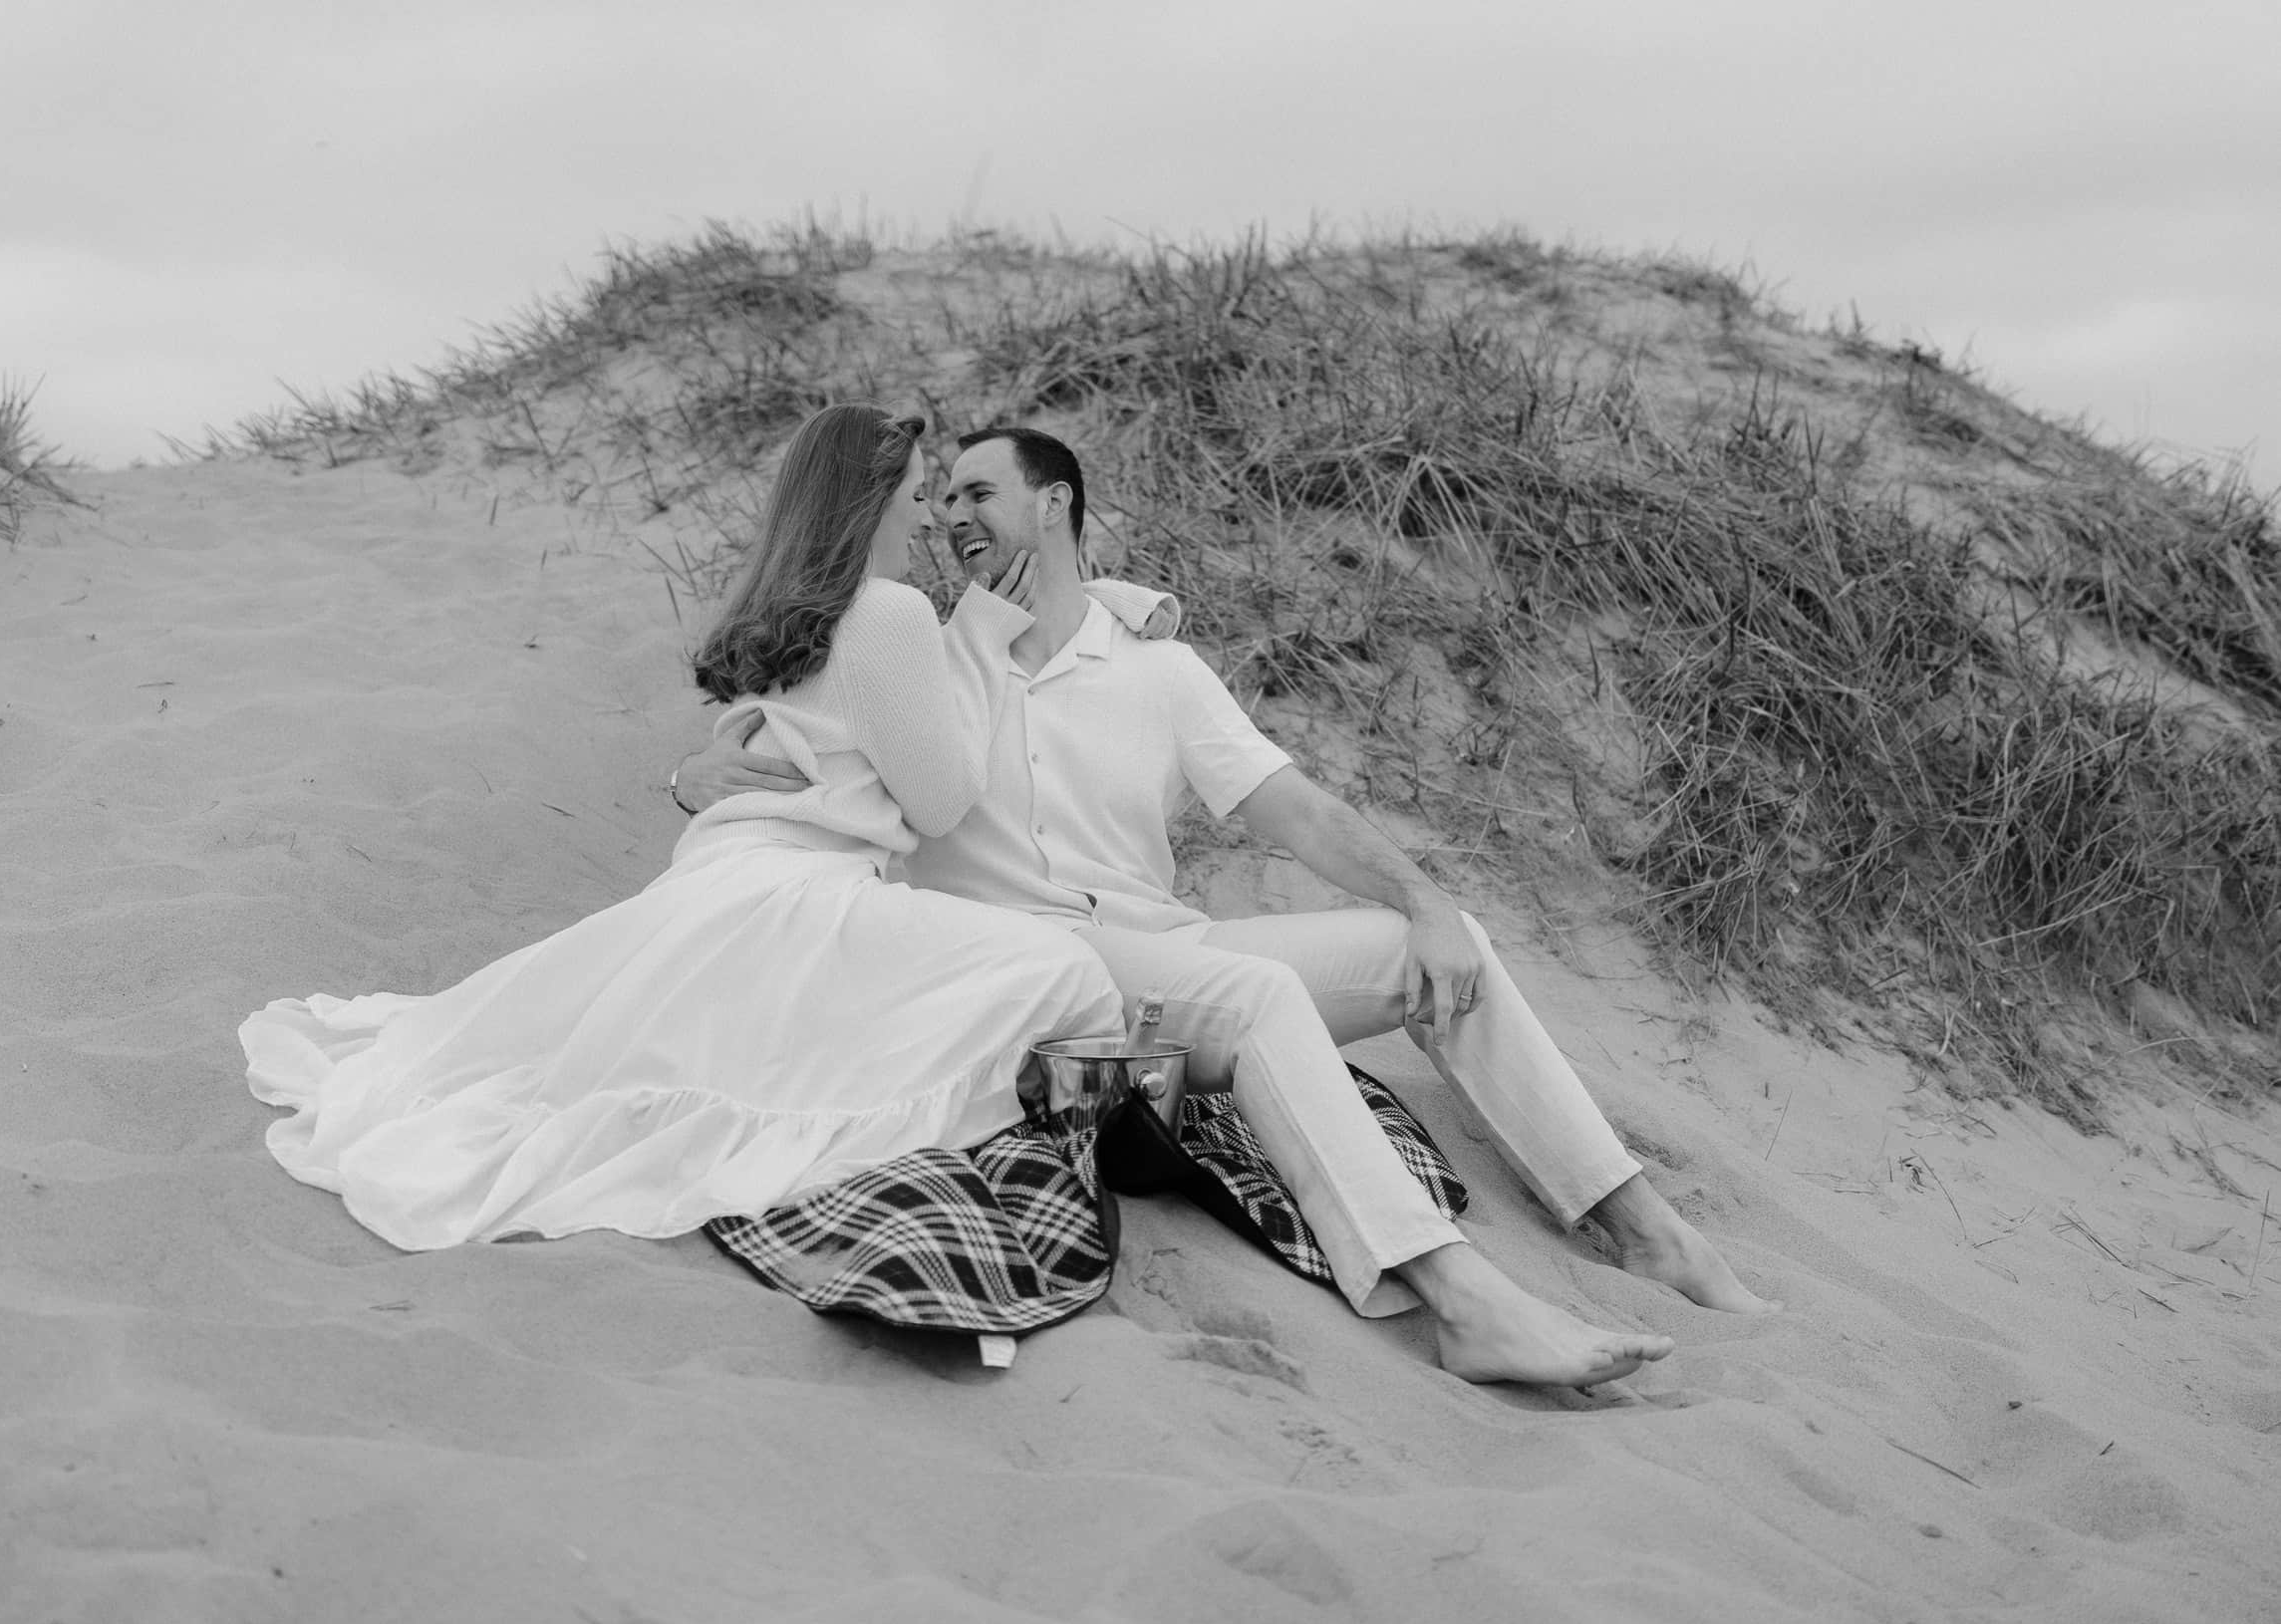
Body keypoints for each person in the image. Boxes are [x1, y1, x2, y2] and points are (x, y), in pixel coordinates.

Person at [676, 425, 1777, 1389]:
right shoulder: (932, 651)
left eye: (978, 491)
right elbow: (800, 740)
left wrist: (1426, 896)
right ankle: (1457, 1297)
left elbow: (1295, 811)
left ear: (1054, 503)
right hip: (1028, 976)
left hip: (1168, 958)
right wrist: (697, 773)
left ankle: (1643, 1227)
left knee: (1445, 947)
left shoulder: (1156, 669)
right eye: (942, 494)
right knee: (1250, 995)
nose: (951, 514)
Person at [240, 406, 1126, 1249]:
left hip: (713, 884)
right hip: (797, 900)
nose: (931, 518)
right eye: (919, 495)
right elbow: (941, 803)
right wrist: (978, 637)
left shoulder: (781, 614)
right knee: (1066, 971)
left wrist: (684, 778)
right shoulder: (890, 612)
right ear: (872, 500)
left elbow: (759, 754)